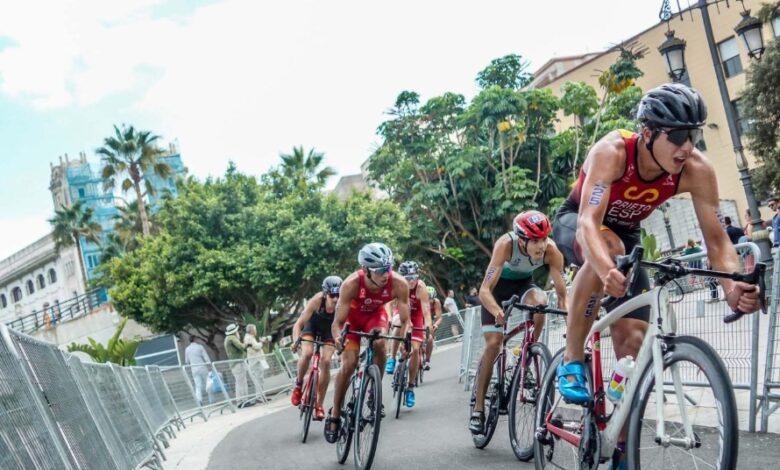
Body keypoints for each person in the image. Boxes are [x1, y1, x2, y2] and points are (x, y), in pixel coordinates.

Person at [552, 83, 760, 469]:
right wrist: (603, 268)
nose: (687, 147)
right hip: (577, 222)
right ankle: (572, 359)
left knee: (633, 343)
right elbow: (586, 224)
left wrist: (733, 287)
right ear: (647, 133)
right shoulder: (612, 152)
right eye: (677, 136)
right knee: (607, 249)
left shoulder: (696, 169)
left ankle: (620, 450)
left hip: (625, 238)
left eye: (693, 135)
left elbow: (717, 242)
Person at [469, 210, 568, 435]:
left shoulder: (551, 251)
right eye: (535, 240)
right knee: (494, 343)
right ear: (521, 239)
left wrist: (570, 319)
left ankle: (528, 351)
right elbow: (484, 290)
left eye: (544, 239)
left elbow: (563, 296)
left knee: (541, 302)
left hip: (524, 286)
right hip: (496, 291)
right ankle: (478, 408)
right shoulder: (505, 245)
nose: (541, 246)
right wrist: (496, 311)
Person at [324, 243, 411, 443]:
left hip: (375, 316)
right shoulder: (351, 284)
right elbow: (337, 323)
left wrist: (405, 340)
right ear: (366, 270)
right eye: (380, 270)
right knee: (349, 363)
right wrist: (338, 339)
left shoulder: (398, 283)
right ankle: (336, 413)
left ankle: (373, 391)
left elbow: (405, 321)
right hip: (352, 319)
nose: (386, 274)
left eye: (388, 268)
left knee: (380, 343)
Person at [290, 275, 341, 420]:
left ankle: (319, 404)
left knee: (326, 362)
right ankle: (299, 385)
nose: (336, 299)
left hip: (329, 330)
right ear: (325, 294)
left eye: (338, 295)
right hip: (312, 326)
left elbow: (344, 325)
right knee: (307, 353)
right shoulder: (316, 300)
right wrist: (295, 341)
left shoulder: (342, 304)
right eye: (332, 295)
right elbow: (298, 324)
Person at [385, 261, 432, 408]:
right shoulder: (396, 283)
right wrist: (388, 318)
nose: (411, 281)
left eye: (413, 277)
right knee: (398, 323)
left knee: (416, 349)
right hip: (402, 312)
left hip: (417, 315)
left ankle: (411, 387)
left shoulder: (421, 287)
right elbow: (387, 303)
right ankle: (392, 358)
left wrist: (429, 328)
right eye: (407, 278)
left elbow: (426, 311)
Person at [224, 323, 249, 406]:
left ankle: (241, 401)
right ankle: (243, 401)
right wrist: (246, 344)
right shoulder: (232, 338)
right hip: (238, 363)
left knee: (239, 382)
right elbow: (241, 347)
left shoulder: (227, 338)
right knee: (241, 382)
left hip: (235, 363)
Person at [185, 336, 212, 406]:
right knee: (208, 383)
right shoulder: (200, 347)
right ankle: (211, 399)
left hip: (194, 369)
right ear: (195, 340)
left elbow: (187, 361)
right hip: (202, 367)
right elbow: (206, 357)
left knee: (198, 386)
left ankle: (199, 400)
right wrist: (209, 364)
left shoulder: (187, 349)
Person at [244, 324, 269, 395]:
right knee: (258, 379)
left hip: (257, 361)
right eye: (255, 330)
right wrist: (262, 342)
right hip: (255, 362)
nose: (256, 331)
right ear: (252, 331)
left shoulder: (250, 337)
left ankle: (262, 396)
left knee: (260, 379)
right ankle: (260, 396)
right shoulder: (248, 338)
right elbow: (256, 347)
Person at [424, 285, 443, 370]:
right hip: (419, 318)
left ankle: (427, 360)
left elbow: (439, 317)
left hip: (429, 320)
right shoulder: (421, 301)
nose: (430, 301)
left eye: (432, 299)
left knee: (430, 339)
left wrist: (436, 325)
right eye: (428, 299)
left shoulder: (436, 302)